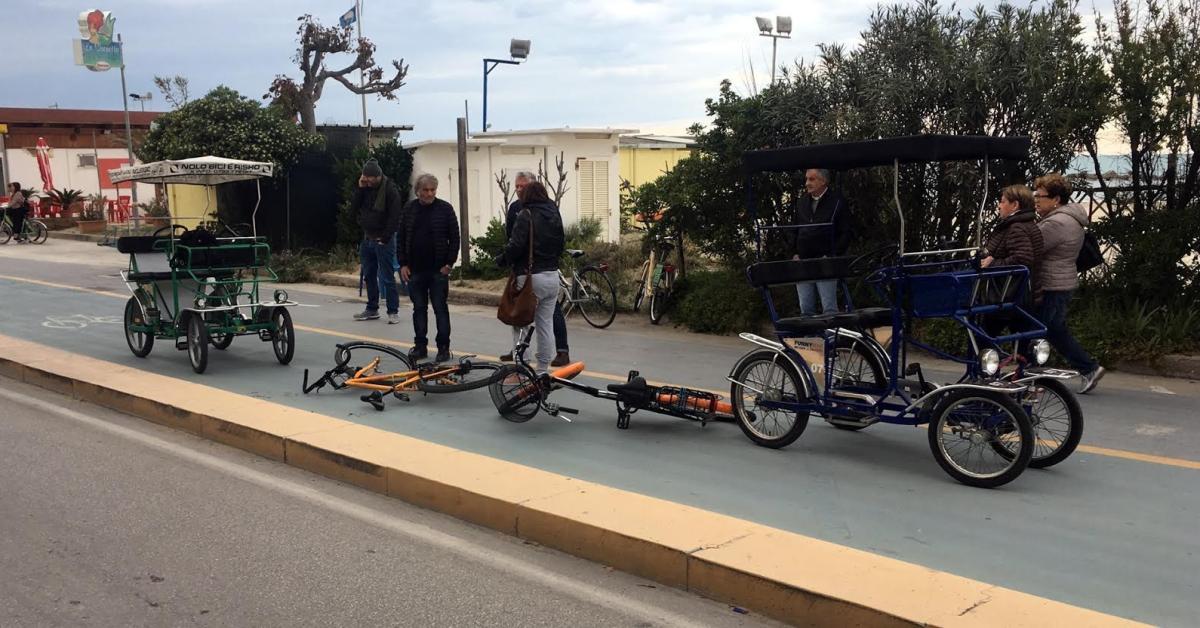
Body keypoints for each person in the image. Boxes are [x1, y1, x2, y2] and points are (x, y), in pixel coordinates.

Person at [1033, 173, 1104, 394]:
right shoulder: (1069, 217)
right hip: (1063, 279)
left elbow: (1033, 247)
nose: (1036, 200)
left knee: (1047, 329)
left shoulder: (1056, 222)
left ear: (1056, 199)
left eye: (1040, 196)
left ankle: (1088, 368)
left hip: (1053, 282)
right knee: (1047, 329)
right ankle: (1034, 374)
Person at [500, 171, 571, 367]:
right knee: (545, 325)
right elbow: (561, 243)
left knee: (520, 322)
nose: (519, 192)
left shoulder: (526, 214)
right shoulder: (553, 212)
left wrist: (503, 259)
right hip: (552, 275)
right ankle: (542, 371)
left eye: (523, 189)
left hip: (531, 277)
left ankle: (520, 368)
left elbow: (516, 245)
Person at [398, 174, 460, 363]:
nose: (429, 193)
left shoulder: (445, 209)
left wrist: (449, 263)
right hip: (415, 270)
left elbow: (455, 238)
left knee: (440, 309)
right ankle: (420, 346)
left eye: (432, 190)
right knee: (419, 309)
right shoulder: (409, 209)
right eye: (425, 190)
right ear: (418, 191)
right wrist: (403, 264)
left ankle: (443, 347)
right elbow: (400, 238)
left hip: (438, 270)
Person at [979, 185, 1043, 347]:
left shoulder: (1015, 227)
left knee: (983, 338)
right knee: (1023, 342)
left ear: (1015, 205)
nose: (999, 206)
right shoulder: (1028, 224)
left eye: (1002, 202)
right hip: (1025, 295)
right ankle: (1021, 367)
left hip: (1007, 294)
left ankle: (985, 369)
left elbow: (1023, 258)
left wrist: (993, 263)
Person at [791, 168, 851, 315]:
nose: (807, 183)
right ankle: (809, 337)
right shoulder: (801, 202)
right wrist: (794, 253)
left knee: (829, 306)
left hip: (825, 262)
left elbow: (846, 232)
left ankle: (831, 337)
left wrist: (832, 254)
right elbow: (794, 230)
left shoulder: (837, 202)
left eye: (811, 179)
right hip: (803, 261)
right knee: (805, 306)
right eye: (806, 179)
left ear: (823, 181)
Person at [352, 160, 404, 324]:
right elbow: (354, 208)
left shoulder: (390, 190)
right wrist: (360, 189)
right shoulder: (365, 188)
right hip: (367, 237)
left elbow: (395, 217)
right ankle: (372, 308)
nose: (366, 180)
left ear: (377, 176)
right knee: (369, 275)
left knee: (387, 276)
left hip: (383, 239)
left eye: (369, 178)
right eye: (364, 177)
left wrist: (386, 237)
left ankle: (393, 311)